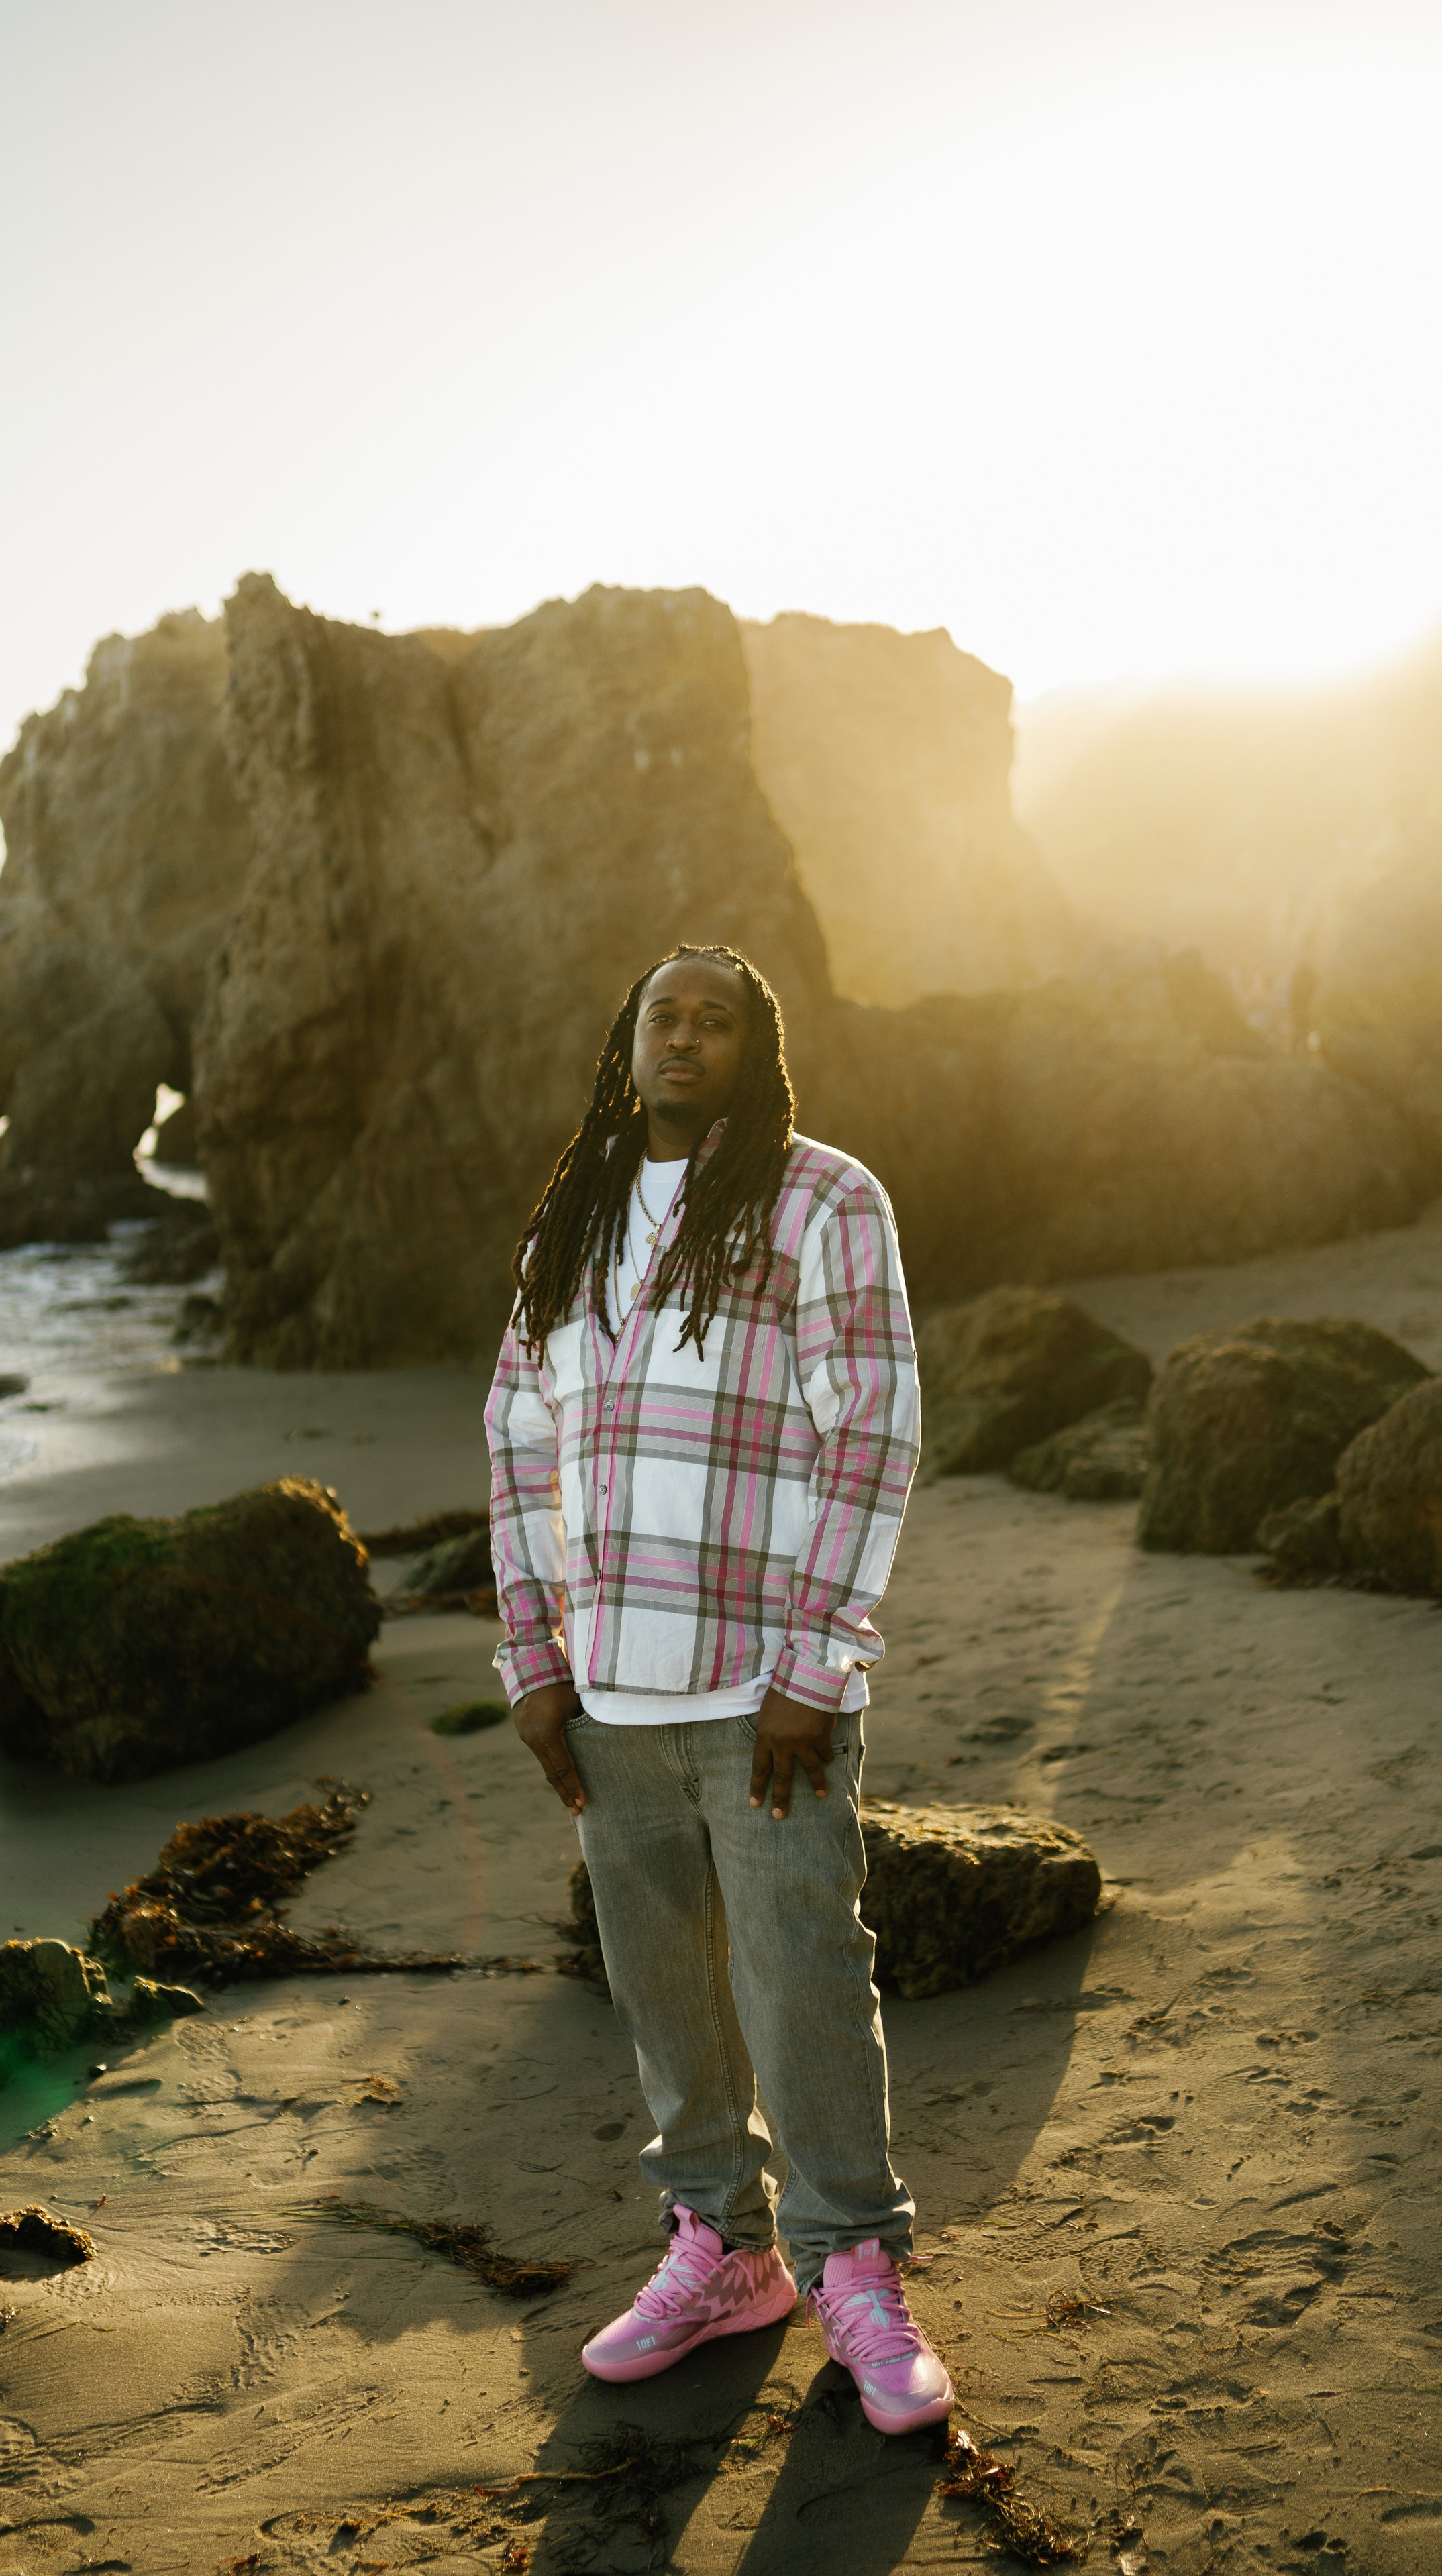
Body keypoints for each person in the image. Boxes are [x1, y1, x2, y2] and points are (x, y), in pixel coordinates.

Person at [484, 941, 954, 2436]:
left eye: (715, 1018)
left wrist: (812, 1665)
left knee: (802, 1971)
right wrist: (532, 1659)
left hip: (762, 1688)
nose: (682, 1036)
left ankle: (852, 2268)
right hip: (609, 1700)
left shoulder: (821, 1197)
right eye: (659, 1016)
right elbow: (513, 1443)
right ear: (627, 1047)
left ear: (756, 1050)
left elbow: (871, 1432)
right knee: (664, 1986)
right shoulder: (569, 1230)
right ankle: (721, 2250)